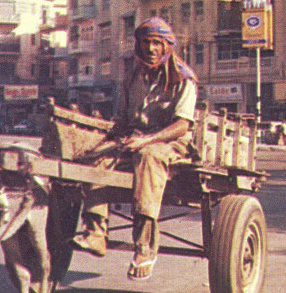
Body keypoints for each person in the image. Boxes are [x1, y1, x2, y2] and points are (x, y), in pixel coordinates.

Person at [70, 17, 198, 281]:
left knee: (148, 157)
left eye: (156, 43)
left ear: (166, 47)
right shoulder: (131, 78)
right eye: (146, 43)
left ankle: (144, 248)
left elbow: (182, 125)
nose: (151, 49)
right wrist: (103, 143)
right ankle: (95, 234)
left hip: (170, 144)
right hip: (135, 139)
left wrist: (147, 141)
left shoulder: (183, 78)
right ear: (138, 46)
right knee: (97, 161)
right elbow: (122, 121)